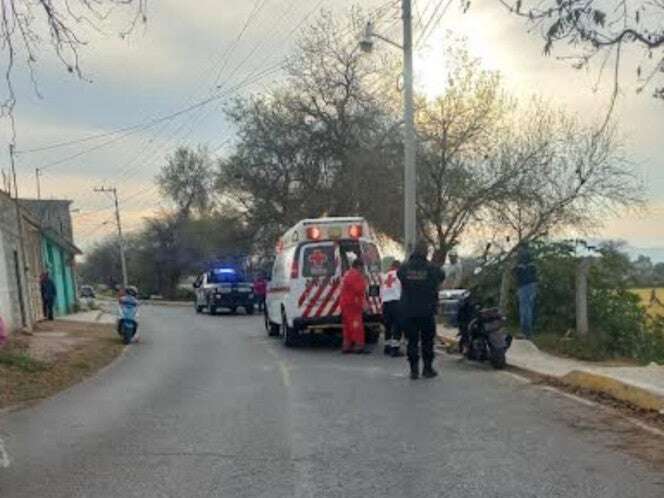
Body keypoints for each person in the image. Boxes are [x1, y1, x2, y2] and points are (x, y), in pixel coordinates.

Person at [398, 242, 445, 380]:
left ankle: (413, 370)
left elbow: (399, 274)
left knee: (411, 341)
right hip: (427, 311)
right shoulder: (432, 268)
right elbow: (442, 276)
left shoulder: (404, 268)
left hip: (408, 311)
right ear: (426, 253)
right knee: (427, 341)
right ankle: (427, 369)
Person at [340, 258, 369, 354]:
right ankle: (359, 345)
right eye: (362, 267)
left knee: (347, 325)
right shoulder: (356, 275)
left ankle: (346, 346)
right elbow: (360, 289)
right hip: (354, 304)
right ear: (359, 266)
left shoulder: (347, 274)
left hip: (345, 303)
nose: (363, 269)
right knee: (357, 325)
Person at [513, 245, 538, 339]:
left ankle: (525, 331)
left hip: (524, 286)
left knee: (524, 309)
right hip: (532, 285)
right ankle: (528, 331)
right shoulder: (532, 263)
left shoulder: (521, 263)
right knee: (529, 308)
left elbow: (515, 272)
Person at [381, 260, 404, 357]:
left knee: (388, 326)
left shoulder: (385, 276)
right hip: (396, 302)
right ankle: (395, 349)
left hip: (385, 303)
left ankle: (387, 347)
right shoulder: (399, 274)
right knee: (397, 326)